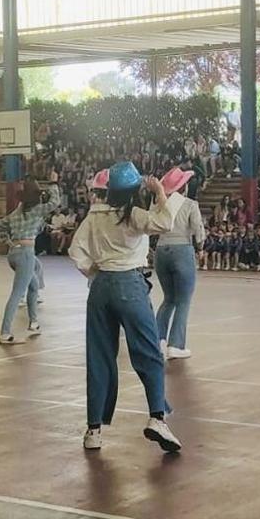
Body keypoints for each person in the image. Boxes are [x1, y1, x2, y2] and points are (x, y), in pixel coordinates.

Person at [68, 162, 180, 453]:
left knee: (99, 356)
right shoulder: (134, 215)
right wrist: (160, 194)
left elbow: (75, 249)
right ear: (134, 191)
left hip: (101, 287)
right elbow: (165, 222)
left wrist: (93, 271)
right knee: (148, 353)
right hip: (130, 283)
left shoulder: (94, 216)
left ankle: (94, 430)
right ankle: (157, 417)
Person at [0, 177, 61, 344]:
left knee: (33, 285)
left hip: (14, 253)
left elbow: (0, 225)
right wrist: (53, 184)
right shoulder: (37, 210)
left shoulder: (16, 213)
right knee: (17, 294)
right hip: (26, 253)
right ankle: (5, 332)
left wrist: (6, 241)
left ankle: (34, 322)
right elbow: (55, 202)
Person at [154, 166, 205, 360]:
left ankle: (157, 339)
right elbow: (197, 229)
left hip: (161, 250)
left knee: (169, 298)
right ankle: (176, 344)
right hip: (182, 249)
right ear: (183, 187)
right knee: (183, 300)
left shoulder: (158, 204)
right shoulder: (190, 204)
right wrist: (200, 247)